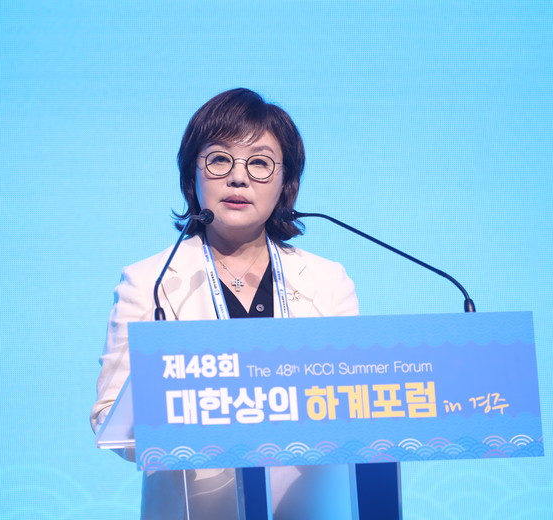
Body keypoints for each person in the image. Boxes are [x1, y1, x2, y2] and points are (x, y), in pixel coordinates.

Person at [91, 88, 359, 519]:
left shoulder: (328, 280)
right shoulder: (149, 282)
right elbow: (110, 419)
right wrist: (204, 419)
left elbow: (357, 405)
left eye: (259, 163)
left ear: (285, 183)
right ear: (191, 176)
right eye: (219, 160)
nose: (238, 178)